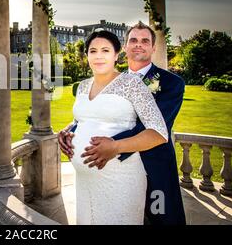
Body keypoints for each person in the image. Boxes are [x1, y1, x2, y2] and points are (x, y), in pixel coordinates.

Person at [59, 22, 186, 225]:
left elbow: (150, 126)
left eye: (145, 41)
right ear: (125, 47)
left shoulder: (171, 83)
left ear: (154, 47)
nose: (138, 45)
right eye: (133, 40)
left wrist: (108, 146)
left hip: (154, 165)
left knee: (160, 218)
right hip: (107, 174)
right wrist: (71, 129)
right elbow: (96, 115)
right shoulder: (111, 79)